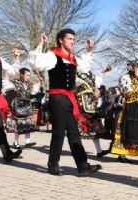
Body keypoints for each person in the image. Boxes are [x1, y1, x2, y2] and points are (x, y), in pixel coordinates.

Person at [29, 29, 101, 176]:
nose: (72, 41)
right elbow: (36, 63)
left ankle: (83, 166)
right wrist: (41, 45)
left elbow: (85, 66)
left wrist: (88, 51)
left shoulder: (72, 57)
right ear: (61, 40)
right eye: (69, 39)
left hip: (69, 99)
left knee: (74, 133)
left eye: (73, 39)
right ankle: (52, 165)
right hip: (58, 98)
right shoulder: (52, 55)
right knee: (59, 132)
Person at [5, 67, 38, 149]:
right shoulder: (15, 83)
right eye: (27, 75)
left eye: (29, 75)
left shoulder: (29, 84)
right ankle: (16, 143)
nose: (28, 77)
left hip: (27, 107)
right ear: (22, 75)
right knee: (18, 125)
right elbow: (9, 93)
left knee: (28, 123)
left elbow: (32, 93)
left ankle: (28, 142)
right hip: (18, 107)